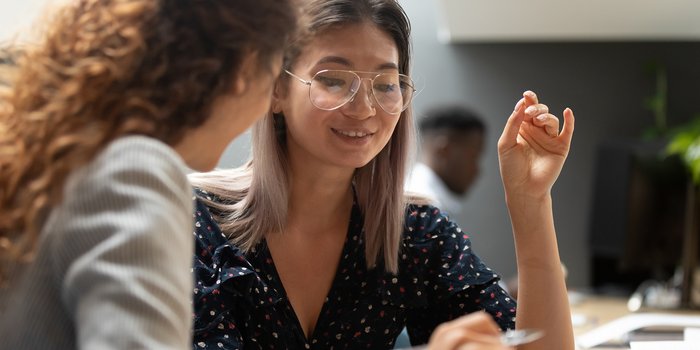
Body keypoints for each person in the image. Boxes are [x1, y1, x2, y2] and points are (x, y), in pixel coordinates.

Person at [188, 0, 575, 349]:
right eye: (333, 79)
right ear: (276, 90)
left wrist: (531, 202)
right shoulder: (195, 223)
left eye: (386, 84)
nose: (363, 108)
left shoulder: (418, 234)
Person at [0, 0, 296, 349]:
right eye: (274, 71)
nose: (267, 107)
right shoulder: (136, 170)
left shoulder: (56, 158)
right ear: (246, 68)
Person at [406, 106, 486, 216]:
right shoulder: (423, 207)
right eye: (473, 157)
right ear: (443, 151)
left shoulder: (416, 195)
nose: (477, 170)